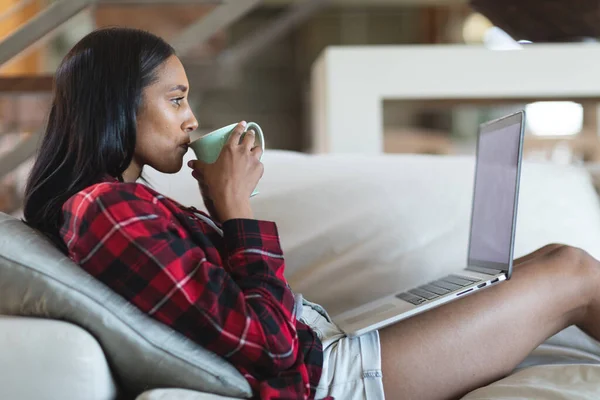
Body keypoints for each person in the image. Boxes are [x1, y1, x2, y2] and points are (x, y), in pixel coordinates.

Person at [22, 27, 600, 400]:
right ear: (118, 105)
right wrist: (235, 208)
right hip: (329, 382)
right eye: (176, 100)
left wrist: (228, 216)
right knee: (573, 271)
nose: (192, 120)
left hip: (325, 348)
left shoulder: (123, 203)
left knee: (547, 262)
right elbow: (271, 348)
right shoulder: (108, 211)